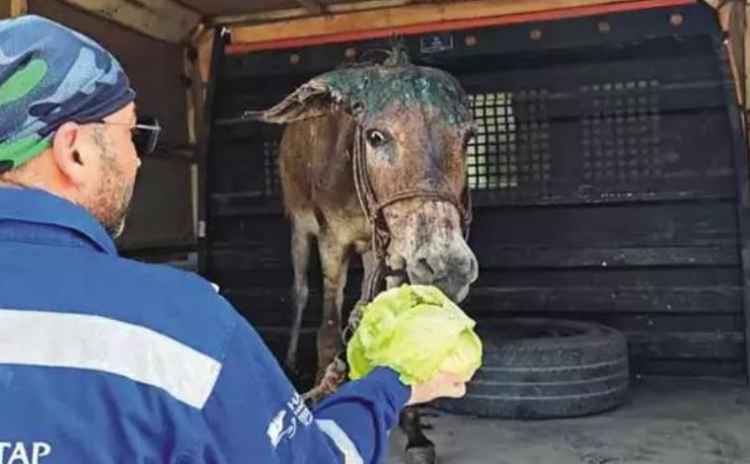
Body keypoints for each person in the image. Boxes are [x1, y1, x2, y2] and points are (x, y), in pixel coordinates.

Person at [0, 14, 468, 464]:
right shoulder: (185, 330)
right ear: (74, 151)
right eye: (137, 136)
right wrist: (392, 383)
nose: (140, 161)